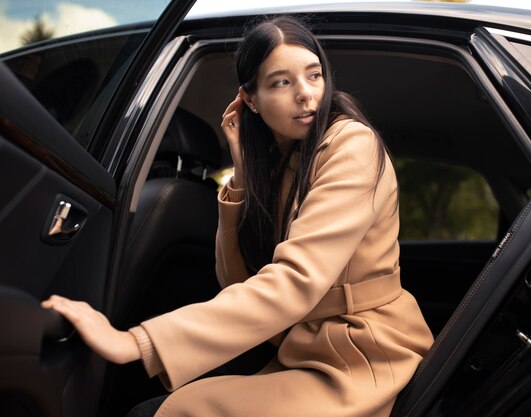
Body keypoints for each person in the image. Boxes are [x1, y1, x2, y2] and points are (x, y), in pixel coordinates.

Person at [42, 16, 434, 417]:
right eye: (282, 82)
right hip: (301, 347)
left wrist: (137, 343)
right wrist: (243, 175)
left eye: (314, 75)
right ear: (250, 100)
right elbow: (235, 282)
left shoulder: (351, 143)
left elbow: (296, 281)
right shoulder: (280, 164)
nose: (305, 94)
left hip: (362, 356)